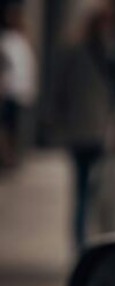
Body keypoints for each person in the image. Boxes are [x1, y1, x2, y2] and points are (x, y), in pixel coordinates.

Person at [54, 2, 115, 251]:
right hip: (94, 131)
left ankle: (83, 242)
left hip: (84, 130)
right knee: (89, 191)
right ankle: (85, 241)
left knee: (85, 191)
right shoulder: (106, 53)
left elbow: (59, 91)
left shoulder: (80, 51)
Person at [0, 0, 37, 169]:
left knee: (13, 127)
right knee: (8, 127)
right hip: (11, 91)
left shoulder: (22, 41)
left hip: (20, 91)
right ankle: (9, 157)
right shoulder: (8, 40)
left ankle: (12, 157)